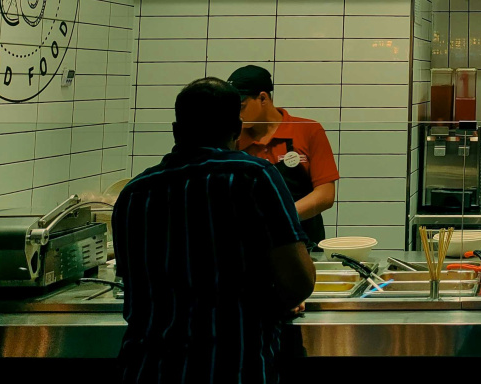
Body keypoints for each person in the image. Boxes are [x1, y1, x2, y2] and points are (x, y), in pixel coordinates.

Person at [113, 78, 314, 384]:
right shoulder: (254, 177)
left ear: (176, 130)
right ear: (236, 129)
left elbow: (133, 283)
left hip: (146, 368)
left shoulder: (134, 193)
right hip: (234, 366)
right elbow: (298, 282)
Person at [230, 65, 339, 248]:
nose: (237, 115)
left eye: (241, 107)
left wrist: (279, 218)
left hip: (304, 242)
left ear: (263, 98)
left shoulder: (308, 130)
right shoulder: (233, 139)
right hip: (249, 242)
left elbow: (325, 195)